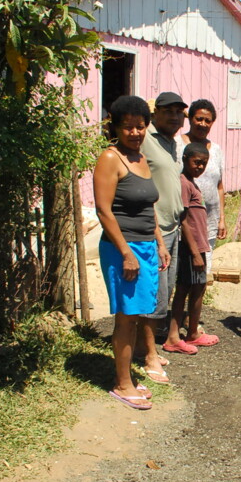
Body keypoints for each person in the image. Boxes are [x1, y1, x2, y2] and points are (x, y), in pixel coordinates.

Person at [93, 95, 170, 410]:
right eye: (128, 127)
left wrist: (160, 242)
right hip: (122, 248)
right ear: (116, 127)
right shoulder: (110, 158)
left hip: (146, 246)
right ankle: (122, 383)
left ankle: (128, 377)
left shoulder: (140, 159)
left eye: (140, 126)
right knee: (126, 318)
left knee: (137, 314)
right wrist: (126, 253)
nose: (135, 133)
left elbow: (147, 208)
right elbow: (103, 210)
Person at [136, 92, 195, 382]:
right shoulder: (145, 138)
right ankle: (147, 353)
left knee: (164, 291)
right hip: (152, 231)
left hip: (172, 229)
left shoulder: (173, 145)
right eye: (168, 111)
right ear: (155, 113)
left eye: (179, 112)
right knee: (153, 294)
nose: (174, 117)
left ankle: (141, 346)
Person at [163, 143, 220, 350]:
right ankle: (190, 333)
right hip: (191, 247)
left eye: (204, 163)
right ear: (185, 159)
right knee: (194, 289)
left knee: (190, 288)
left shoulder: (191, 183)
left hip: (197, 246)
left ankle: (176, 334)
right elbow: (184, 220)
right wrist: (196, 253)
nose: (200, 166)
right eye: (196, 162)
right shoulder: (184, 183)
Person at [183, 99, 226, 277]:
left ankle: (196, 305)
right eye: (199, 119)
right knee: (184, 275)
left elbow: (220, 186)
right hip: (184, 222)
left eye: (208, 121)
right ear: (190, 119)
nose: (203, 124)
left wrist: (221, 218)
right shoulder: (179, 145)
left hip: (209, 220)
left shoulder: (215, 150)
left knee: (202, 273)